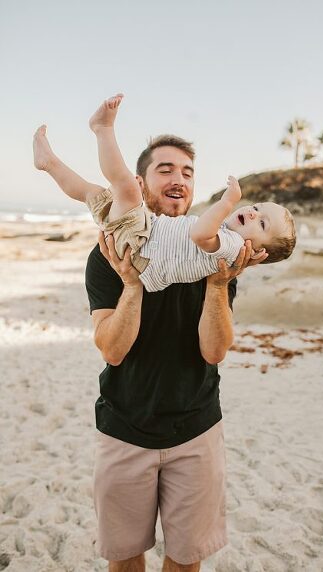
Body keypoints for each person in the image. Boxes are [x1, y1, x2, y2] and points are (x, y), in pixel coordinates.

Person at [33, 112, 265, 569]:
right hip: (124, 428)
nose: (178, 179)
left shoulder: (214, 255)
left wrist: (220, 285)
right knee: (124, 558)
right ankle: (53, 160)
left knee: (186, 558)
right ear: (142, 182)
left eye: (187, 172)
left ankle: (58, 157)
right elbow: (112, 349)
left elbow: (214, 351)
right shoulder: (108, 254)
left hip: (197, 429)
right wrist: (132, 285)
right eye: (166, 170)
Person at [33, 93, 296, 292]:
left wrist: (226, 202)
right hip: (141, 243)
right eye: (257, 207)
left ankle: (103, 129)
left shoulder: (232, 246)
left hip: (141, 248)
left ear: (259, 253)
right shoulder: (226, 245)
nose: (251, 212)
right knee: (92, 193)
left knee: (124, 187)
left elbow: (199, 234)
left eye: (262, 223)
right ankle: (50, 164)